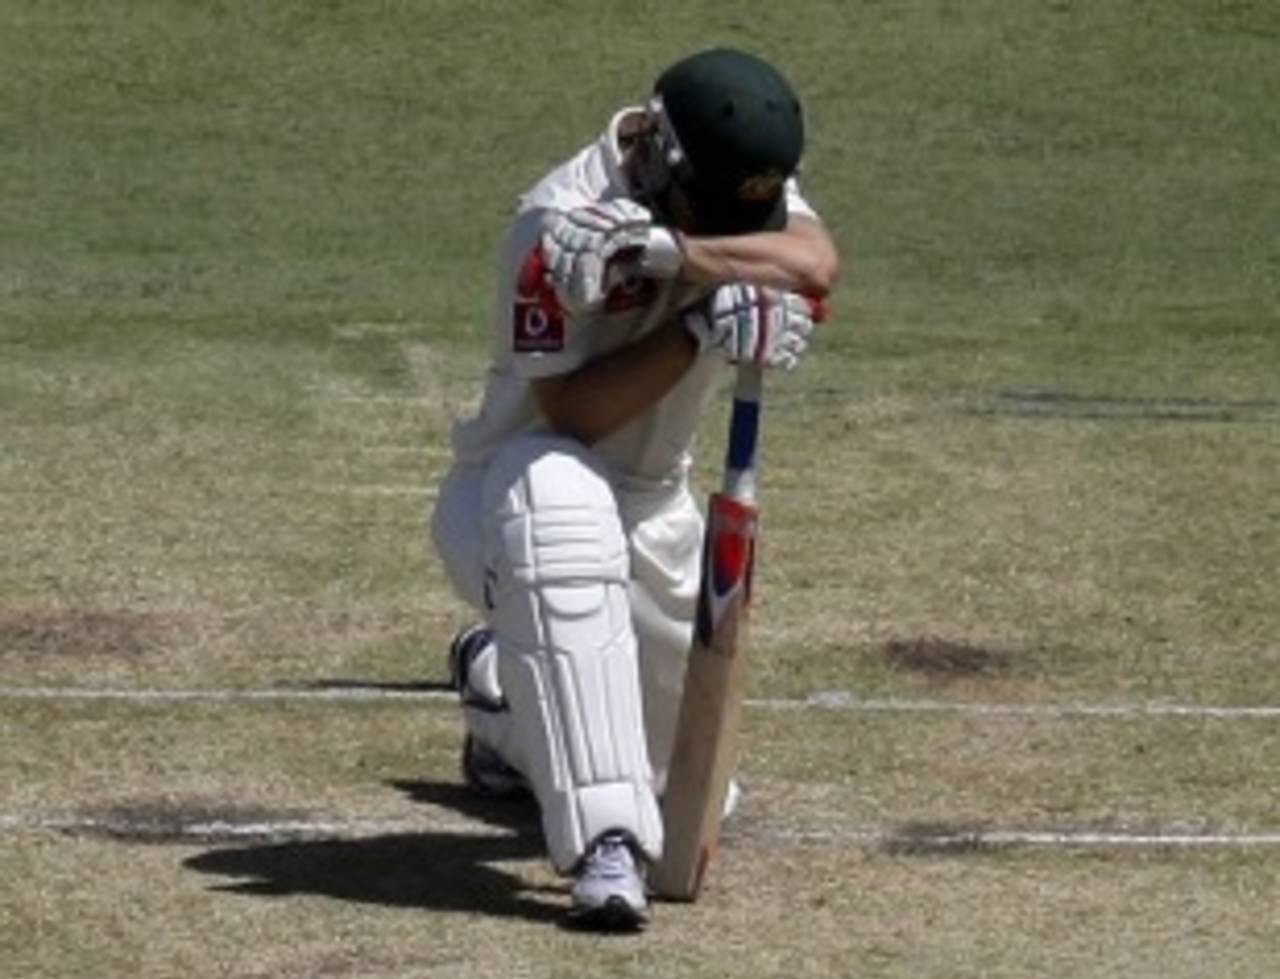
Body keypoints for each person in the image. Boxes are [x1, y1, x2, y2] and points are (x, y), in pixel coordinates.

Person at [429, 47, 839, 930]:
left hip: (655, 508)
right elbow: (570, 414)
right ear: (656, 148)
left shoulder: (726, 181)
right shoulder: (555, 223)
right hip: (510, 493)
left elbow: (814, 260)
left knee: (692, 790)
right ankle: (603, 848)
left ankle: (500, 704)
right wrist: (699, 327)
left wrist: (680, 253)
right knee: (561, 498)